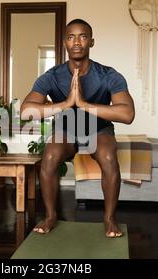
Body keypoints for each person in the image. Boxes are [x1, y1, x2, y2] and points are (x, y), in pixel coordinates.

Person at [20, 19, 135, 238]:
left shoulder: (108, 75)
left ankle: (109, 218)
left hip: (99, 130)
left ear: (91, 41)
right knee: (50, 156)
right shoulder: (51, 76)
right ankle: (51, 216)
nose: (77, 42)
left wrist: (83, 104)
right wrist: (65, 104)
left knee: (109, 158)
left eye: (82, 36)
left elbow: (127, 114)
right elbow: (26, 111)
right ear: (64, 42)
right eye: (71, 37)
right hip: (66, 130)